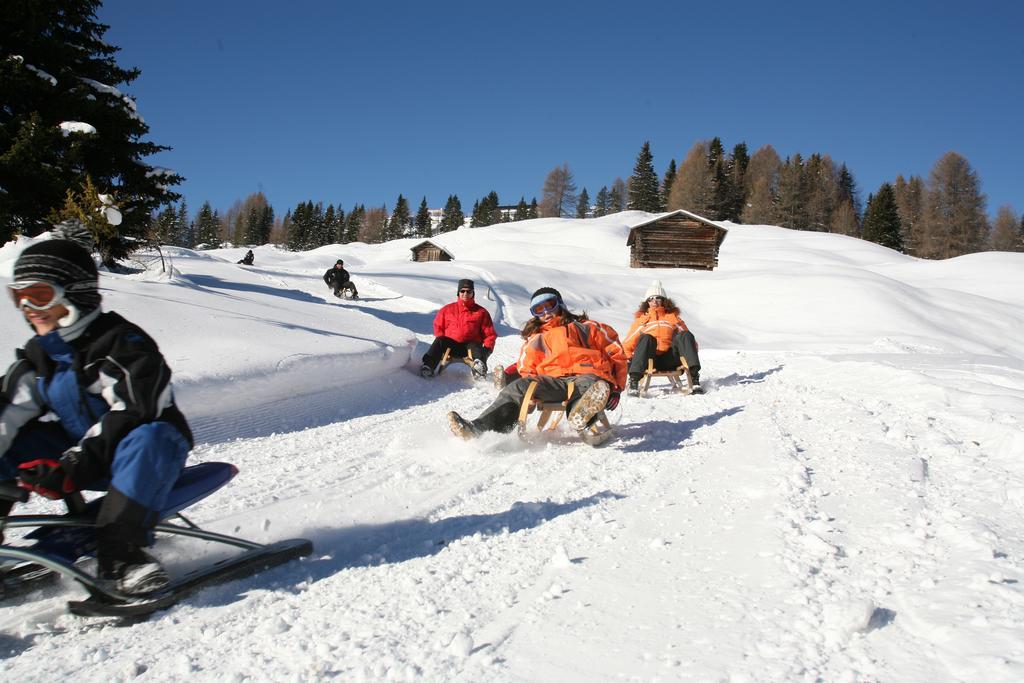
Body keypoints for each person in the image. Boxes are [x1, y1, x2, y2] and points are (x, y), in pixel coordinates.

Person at [0, 239, 193, 595]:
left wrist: (73, 467)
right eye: (19, 297)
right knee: (13, 442)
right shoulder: (39, 355)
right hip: (82, 453)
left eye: (39, 295)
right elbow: (7, 412)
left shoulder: (122, 344)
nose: (28, 307)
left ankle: (122, 556)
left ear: (74, 294)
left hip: (144, 455)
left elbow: (135, 411)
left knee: (151, 435)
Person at [447, 287, 626, 438]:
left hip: (589, 375)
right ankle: (480, 428)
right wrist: (530, 393)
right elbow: (526, 368)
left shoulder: (587, 327)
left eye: (550, 305)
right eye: (539, 309)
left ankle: (580, 415)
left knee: (591, 385)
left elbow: (616, 353)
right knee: (519, 387)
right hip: (553, 383)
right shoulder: (536, 338)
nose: (546, 312)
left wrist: (616, 388)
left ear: (560, 305)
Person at [621, 280, 703, 395]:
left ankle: (695, 379)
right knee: (646, 338)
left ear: (664, 301)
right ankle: (634, 381)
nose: (654, 301)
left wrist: (689, 353)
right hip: (650, 359)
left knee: (685, 335)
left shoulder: (672, 317)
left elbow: (690, 342)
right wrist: (630, 361)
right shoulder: (642, 321)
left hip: (670, 359)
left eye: (658, 298)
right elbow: (627, 344)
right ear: (647, 302)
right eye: (651, 298)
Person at [420, 279, 496, 380]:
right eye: (462, 291)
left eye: (468, 291)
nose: (465, 293)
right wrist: (442, 340)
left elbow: (489, 334)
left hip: (471, 347)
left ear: (473, 293)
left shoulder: (481, 312)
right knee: (440, 340)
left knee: (476, 345)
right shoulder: (447, 309)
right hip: (452, 346)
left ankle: (479, 369)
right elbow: (438, 326)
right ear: (458, 293)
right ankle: (428, 366)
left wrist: (487, 350)